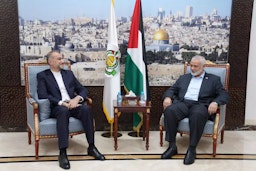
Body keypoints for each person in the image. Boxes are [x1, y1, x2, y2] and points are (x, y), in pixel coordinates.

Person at [37, 51, 105, 170]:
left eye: (61, 58)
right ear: (50, 61)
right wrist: (61, 103)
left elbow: (82, 89)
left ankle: (91, 147)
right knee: (63, 112)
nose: (62, 61)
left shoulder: (69, 73)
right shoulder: (43, 75)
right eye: (58, 59)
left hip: (73, 104)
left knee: (86, 109)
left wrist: (77, 99)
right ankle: (62, 152)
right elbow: (42, 94)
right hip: (57, 106)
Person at [161, 55, 229, 165]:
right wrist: (168, 97)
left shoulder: (213, 79)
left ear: (203, 67)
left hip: (200, 105)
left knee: (197, 115)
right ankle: (172, 146)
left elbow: (224, 95)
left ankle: (192, 149)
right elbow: (172, 89)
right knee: (170, 111)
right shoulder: (184, 77)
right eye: (191, 65)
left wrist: (215, 102)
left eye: (195, 66)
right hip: (183, 103)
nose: (192, 68)